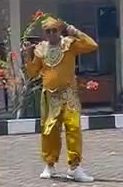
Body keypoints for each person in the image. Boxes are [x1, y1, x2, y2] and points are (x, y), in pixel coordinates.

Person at [23, 16, 98, 182]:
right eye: (47, 31)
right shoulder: (41, 49)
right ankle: (50, 164)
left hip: (69, 94)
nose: (51, 34)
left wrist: (75, 31)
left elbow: (92, 45)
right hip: (50, 95)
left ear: (59, 30)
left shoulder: (69, 44)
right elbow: (32, 73)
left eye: (54, 30)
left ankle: (75, 167)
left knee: (73, 128)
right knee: (49, 131)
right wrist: (28, 56)